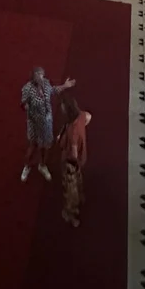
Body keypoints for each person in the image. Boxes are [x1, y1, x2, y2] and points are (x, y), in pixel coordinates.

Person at [20, 65, 75, 182]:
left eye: (42, 74)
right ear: (33, 77)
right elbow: (23, 103)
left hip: (47, 122)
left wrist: (65, 86)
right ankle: (27, 166)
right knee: (32, 147)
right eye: (38, 75)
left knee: (45, 147)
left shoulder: (45, 84)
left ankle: (42, 165)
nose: (40, 77)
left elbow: (53, 90)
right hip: (34, 123)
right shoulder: (27, 89)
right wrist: (26, 106)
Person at [57, 94, 92, 228]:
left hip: (70, 164)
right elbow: (89, 117)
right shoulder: (81, 116)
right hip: (81, 160)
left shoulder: (72, 132)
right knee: (79, 179)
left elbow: (73, 152)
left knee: (70, 191)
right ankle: (81, 196)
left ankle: (68, 213)